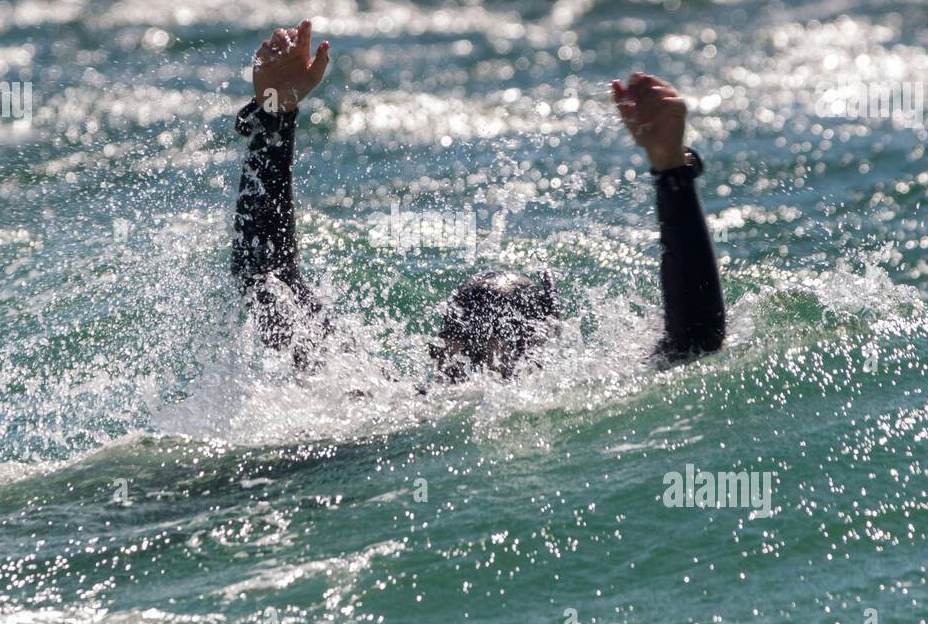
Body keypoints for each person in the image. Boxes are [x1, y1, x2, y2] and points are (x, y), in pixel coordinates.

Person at [231, 20, 725, 381]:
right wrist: (670, 171)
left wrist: (275, 119)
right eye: (475, 349)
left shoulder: (383, 400)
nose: (486, 364)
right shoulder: (573, 395)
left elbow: (266, 281)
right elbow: (695, 342)